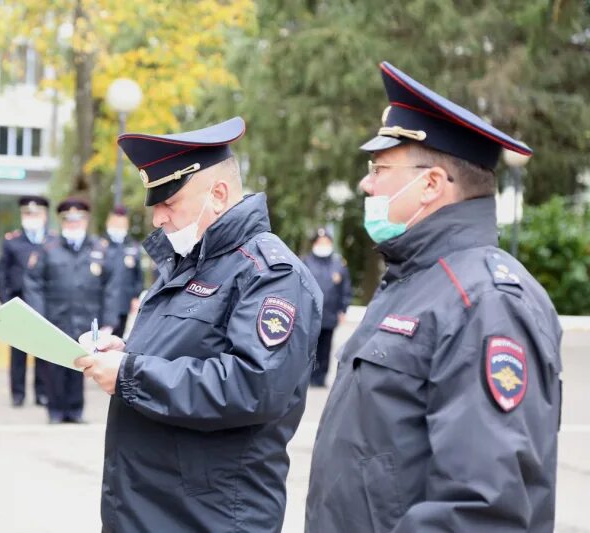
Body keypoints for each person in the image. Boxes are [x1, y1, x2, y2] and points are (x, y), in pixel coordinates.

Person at [305, 62, 562, 532]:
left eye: (380, 168)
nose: (367, 183)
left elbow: (482, 510)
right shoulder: (417, 280)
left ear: (430, 185)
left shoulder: (486, 301)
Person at [74, 117, 323, 532]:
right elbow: (184, 353)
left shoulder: (269, 274)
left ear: (219, 195)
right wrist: (125, 356)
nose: (158, 218)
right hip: (151, 506)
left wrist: (132, 374)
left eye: (169, 203)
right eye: (155, 204)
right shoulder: (189, 264)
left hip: (210, 516)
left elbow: (253, 385)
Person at [24, 197, 119, 424]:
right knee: (55, 366)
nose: (74, 225)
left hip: (86, 318)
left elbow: (111, 287)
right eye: (69, 221)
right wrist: (39, 316)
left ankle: (75, 410)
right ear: (62, 222)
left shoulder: (98, 249)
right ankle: (55, 411)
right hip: (56, 317)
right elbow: (33, 283)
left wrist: (109, 320)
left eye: (78, 220)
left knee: (81, 364)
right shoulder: (48, 249)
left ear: (86, 221)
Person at [0, 195, 50, 407]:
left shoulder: (52, 241)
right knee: (18, 351)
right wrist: (5, 302)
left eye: (36, 213)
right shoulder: (12, 241)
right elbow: (2, 274)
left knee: (44, 350)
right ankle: (17, 393)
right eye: (27, 213)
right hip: (18, 302)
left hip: (44, 303)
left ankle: (42, 392)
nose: (32, 217)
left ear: (45, 216)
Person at [302, 227, 352, 387]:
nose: (323, 244)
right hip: (309, 313)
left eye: (326, 242)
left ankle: (321, 377)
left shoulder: (339, 264)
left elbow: (345, 288)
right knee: (309, 347)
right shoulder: (305, 262)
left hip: (329, 313)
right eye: (319, 241)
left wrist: (343, 309)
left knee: (325, 347)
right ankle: (306, 377)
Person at [103, 205, 143, 338]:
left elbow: (138, 275)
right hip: (103, 304)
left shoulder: (132, 246)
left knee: (118, 339)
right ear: (108, 222)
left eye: (122, 224)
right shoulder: (100, 245)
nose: (118, 227)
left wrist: (136, 297)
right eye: (115, 223)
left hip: (124, 302)